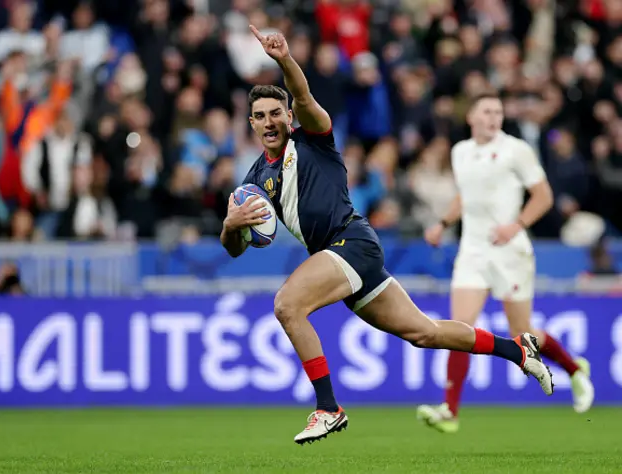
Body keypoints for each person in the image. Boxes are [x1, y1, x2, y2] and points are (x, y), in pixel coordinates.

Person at [220, 28, 554, 445]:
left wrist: (285, 60)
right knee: (424, 333)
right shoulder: (253, 180)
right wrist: (230, 227)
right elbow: (234, 249)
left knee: (288, 305)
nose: (269, 121)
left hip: (351, 243)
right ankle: (519, 351)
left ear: (288, 116)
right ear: (250, 123)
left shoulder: (313, 138)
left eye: (276, 113)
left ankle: (327, 408)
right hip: (337, 256)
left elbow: (303, 95)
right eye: (260, 116)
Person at [417, 93, 594, 434]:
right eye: (486, 111)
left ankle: (574, 371)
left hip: (510, 251)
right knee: (460, 328)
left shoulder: (517, 149)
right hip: (473, 250)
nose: (494, 117)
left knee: (523, 334)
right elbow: (464, 197)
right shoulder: (461, 151)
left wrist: (517, 225)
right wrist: (443, 223)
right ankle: (449, 411)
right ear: (471, 116)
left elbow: (544, 196)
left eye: (498, 111)